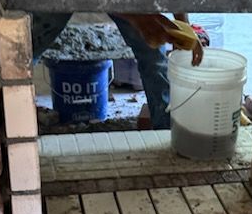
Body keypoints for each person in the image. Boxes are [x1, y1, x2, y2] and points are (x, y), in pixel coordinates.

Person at [31, 11, 204, 130]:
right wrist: (139, 19)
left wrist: (184, 29)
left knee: (154, 57)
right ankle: (13, 108)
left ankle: (166, 130)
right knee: (29, 43)